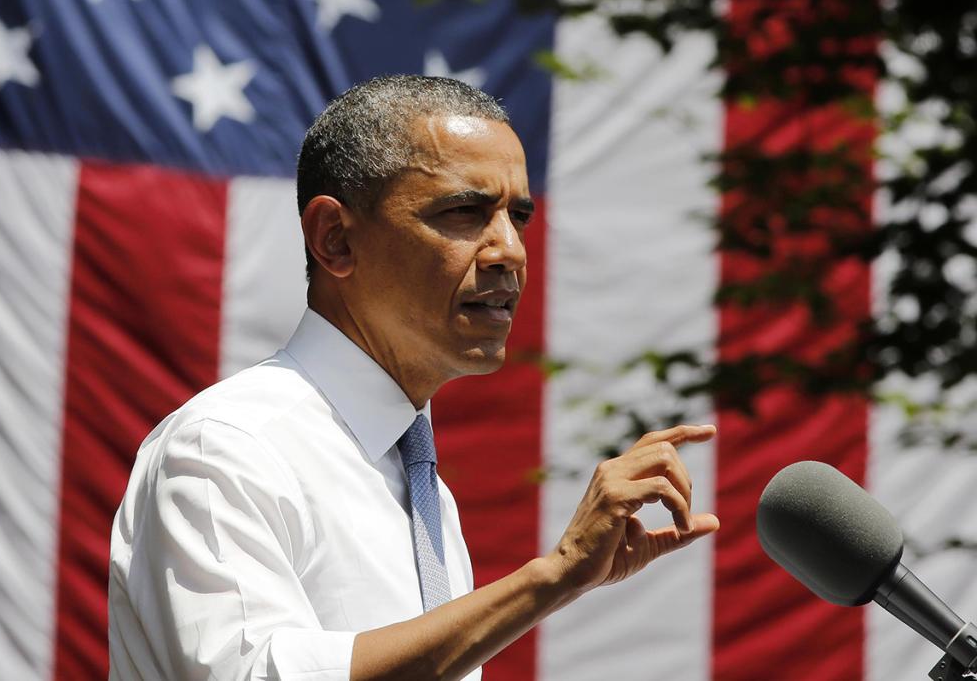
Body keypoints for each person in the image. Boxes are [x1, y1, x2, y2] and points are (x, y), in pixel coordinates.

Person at [108, 75, 719, 680]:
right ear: (335, 239)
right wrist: (553, 575)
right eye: (464, 212)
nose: (509, 250)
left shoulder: (415, 479)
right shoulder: (227, 448)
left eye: (519, 217)